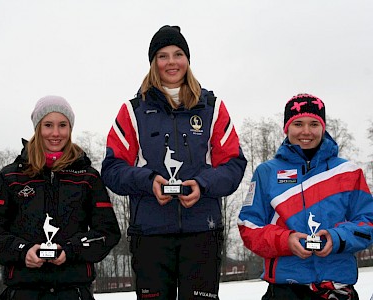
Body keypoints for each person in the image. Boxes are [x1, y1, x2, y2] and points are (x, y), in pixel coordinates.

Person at [101, 25, 247, 300]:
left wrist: (203, 184)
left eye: (178, 54)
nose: (171, 62)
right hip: (150, 234)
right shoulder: (133, 110)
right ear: (153, 62)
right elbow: (112, 169)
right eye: (163, 55)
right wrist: (148, 181)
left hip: (202, 231)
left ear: (187, 60)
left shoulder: (212, 108)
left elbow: (233, 164)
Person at [0, 95, 121, 299]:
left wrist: (71, 250)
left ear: (70, 129)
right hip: (22, 292)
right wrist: (22, 251)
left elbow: (108, 232)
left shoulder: (88, 177)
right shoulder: (11, 176)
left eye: (62, 125)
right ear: (37, 128)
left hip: (74, 292)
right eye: (48, 125)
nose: (55, 133)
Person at [238, 93, 373, 300]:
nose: (306, 132)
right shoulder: (266, 172)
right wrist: (286, 240)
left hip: (337, 287)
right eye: (298, 124)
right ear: (286, 128)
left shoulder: (348, 172)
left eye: (314, 124)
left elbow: (368, 223)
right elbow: (248, 227)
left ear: (323, 127)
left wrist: (336, 238)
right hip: (285, 289)